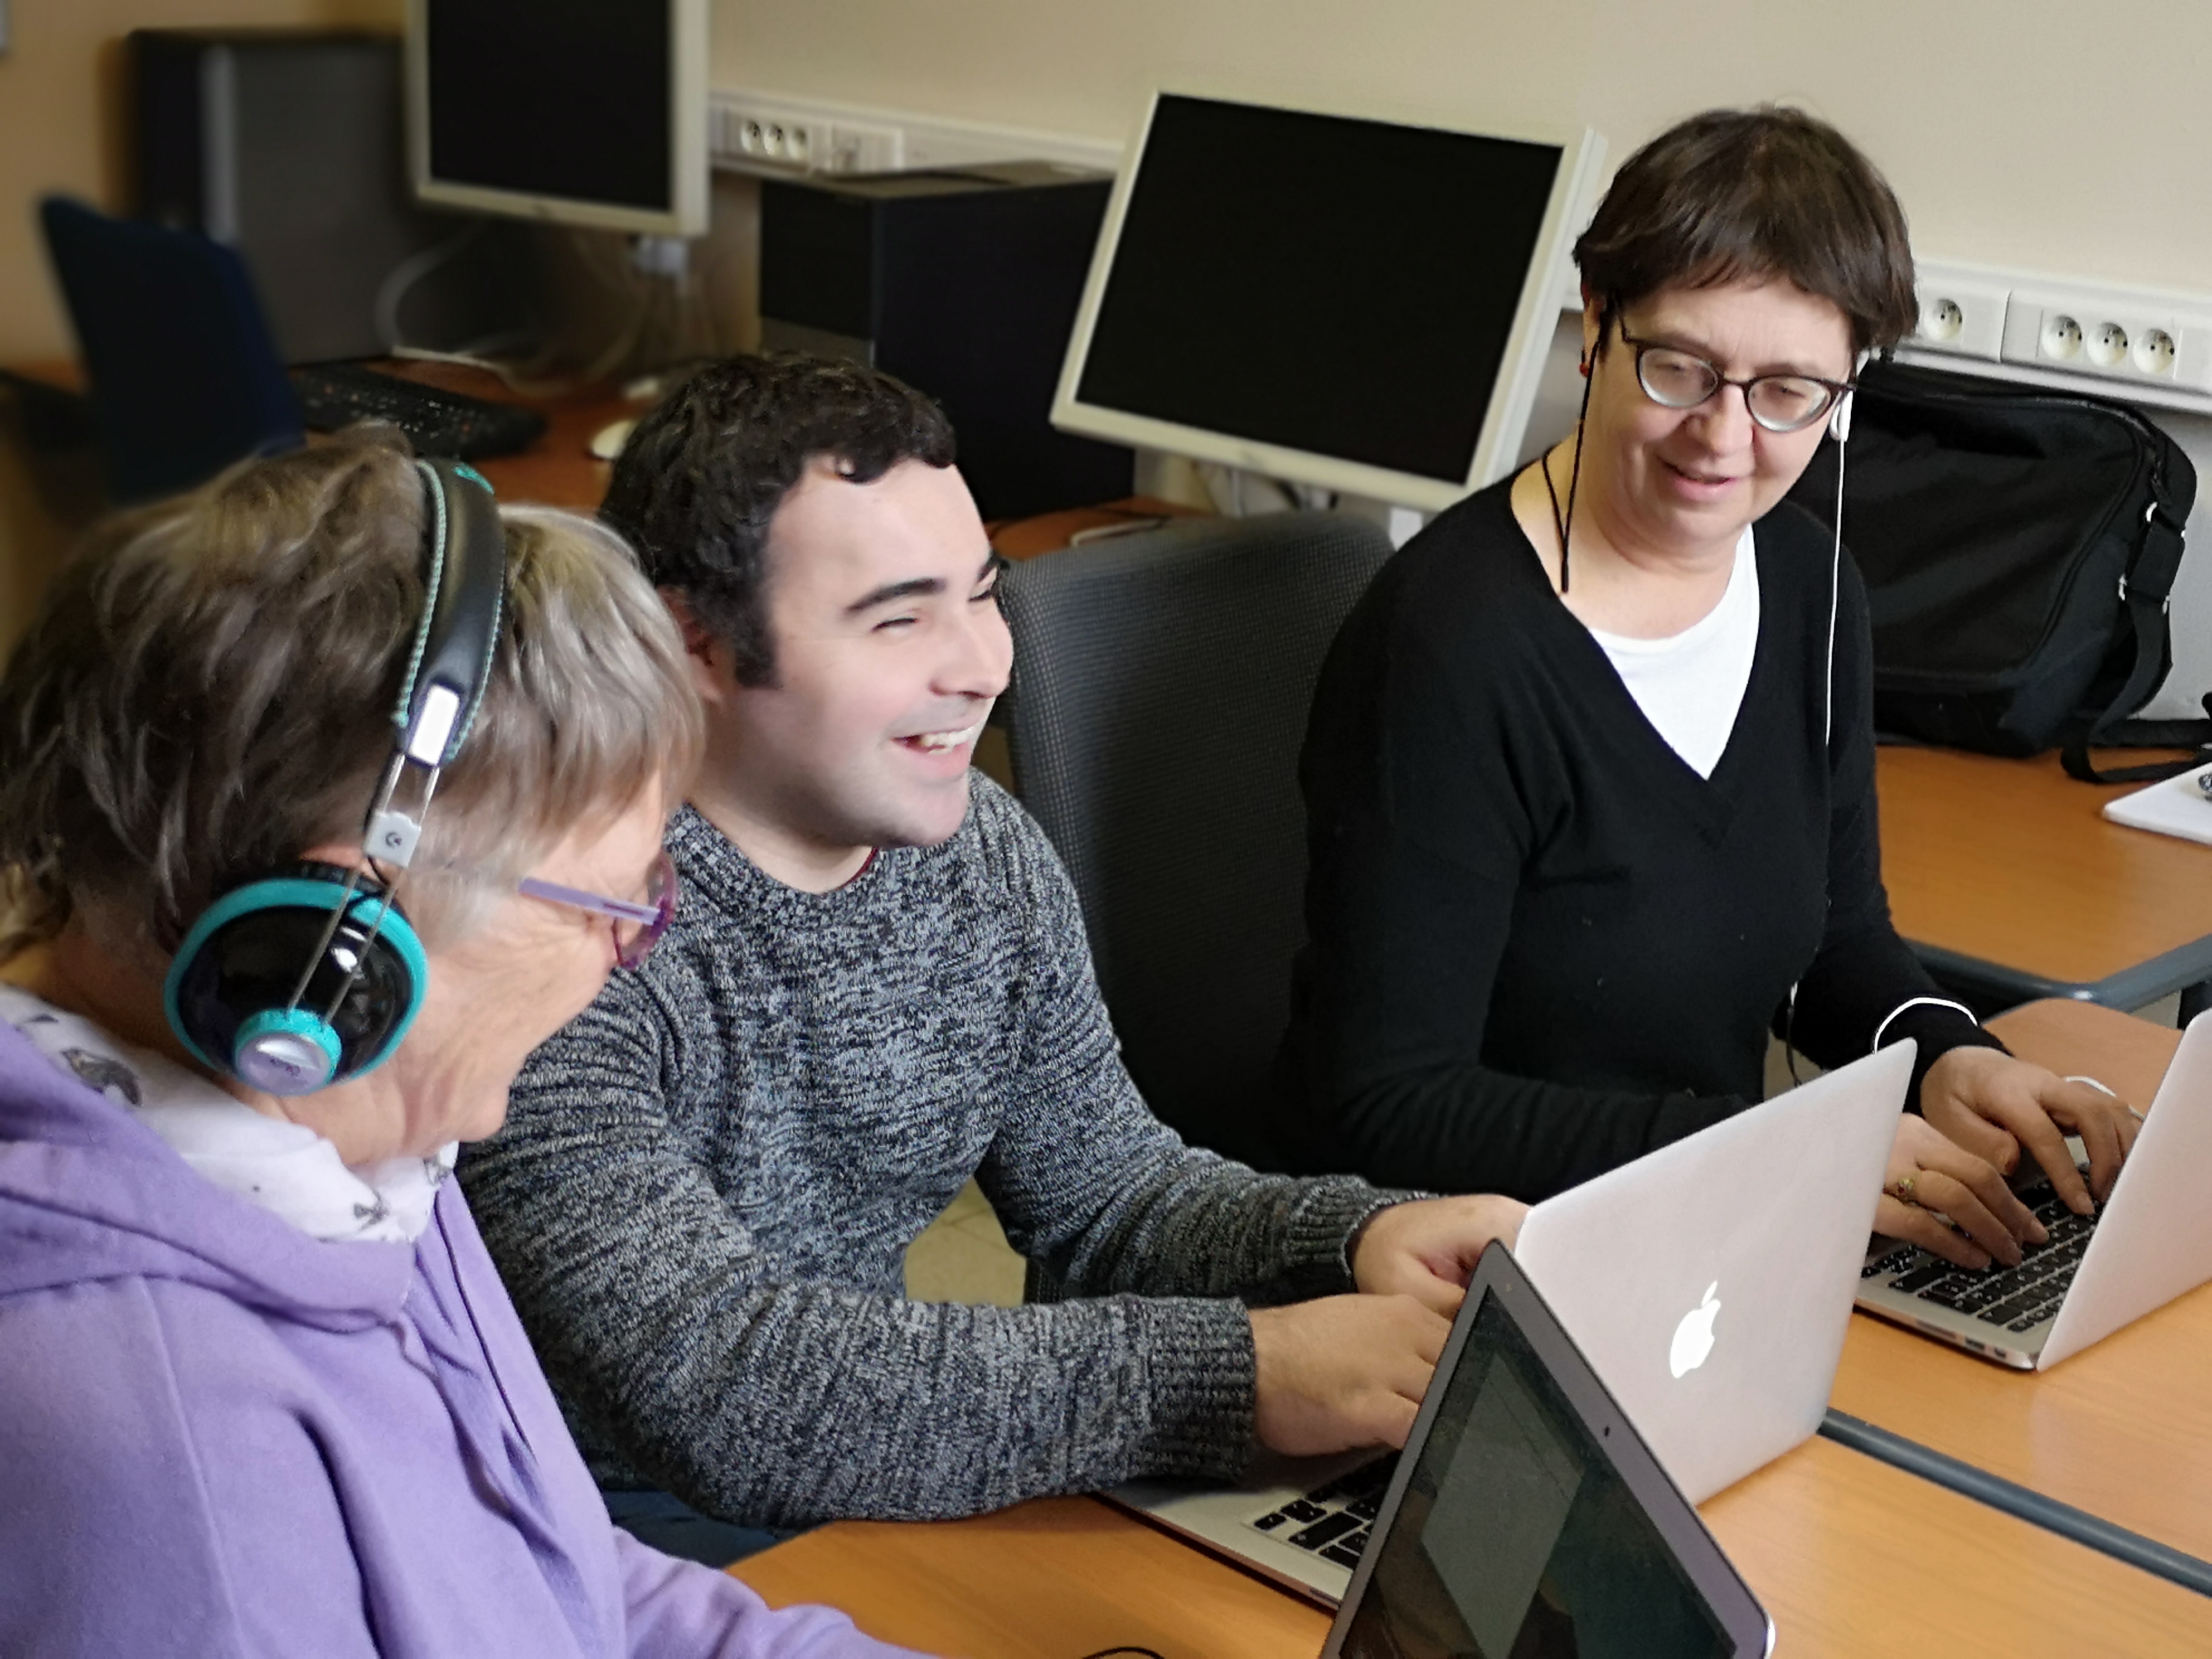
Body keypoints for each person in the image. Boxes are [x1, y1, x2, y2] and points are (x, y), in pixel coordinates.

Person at [458, 353, 1528, 1546]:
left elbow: (1108, 1197)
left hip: (870, 1487)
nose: (982, 665)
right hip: (572, 1538)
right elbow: (721, 1385)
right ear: (693, 646)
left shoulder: (979, 853)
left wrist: (1355, 1236)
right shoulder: (567, 921)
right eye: (899, 616)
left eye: (982, 592)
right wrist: (1242, 1370)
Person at [0, 435, 916, 1656]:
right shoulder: (155, 1444)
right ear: (331, 953)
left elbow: (560, 1582)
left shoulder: (348, 1157)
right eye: (616, 909)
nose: (631, 954)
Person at [1274, 106, 2138, 1272]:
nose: (1724, 436)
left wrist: (1950, 1056)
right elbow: (1387, 1106)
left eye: (1789, 390)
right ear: (1597, 329)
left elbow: (1835, 938)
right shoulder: (1450, 645)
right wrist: (1785, 1148)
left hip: (1711, 1225)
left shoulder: (1807, 584)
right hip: (1481, 1264)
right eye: (1680, 367)